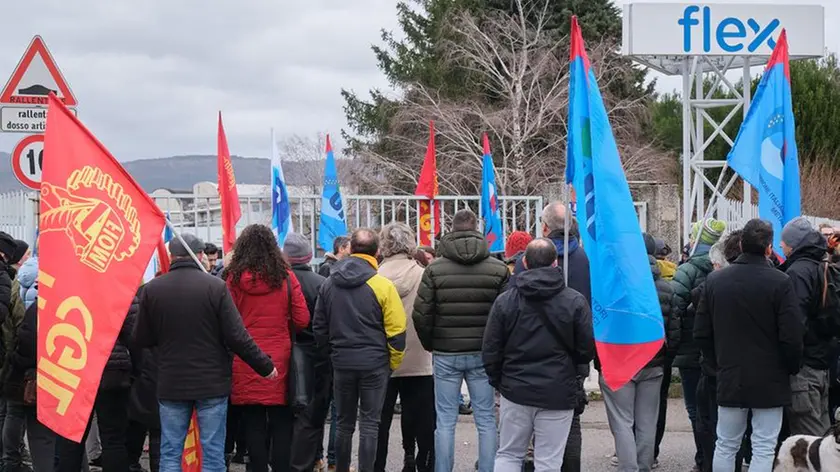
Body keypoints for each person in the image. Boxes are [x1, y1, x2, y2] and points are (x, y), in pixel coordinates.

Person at [133, 233, 278, 472]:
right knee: (212, 453)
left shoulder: (154, 289)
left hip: (171, 382)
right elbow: (237, 336)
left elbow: (142, 338)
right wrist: (265, 366)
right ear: (200, 255)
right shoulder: (215, 287)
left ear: (172, 256)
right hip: (211, 384)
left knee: (170, 452)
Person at [693, 219, 803, 472]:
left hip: (730, 372)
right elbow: (792, 336)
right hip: (770, 377)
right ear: (768, 247)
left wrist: (717, 363)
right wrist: (789, 367)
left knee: (726, 443)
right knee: (764, 445)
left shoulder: (715, 281)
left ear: (741, 244)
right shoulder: (781, 282)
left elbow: (701, 332)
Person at [483, 238, 594, 471]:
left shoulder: (506, 301)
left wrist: (500, 382)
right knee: (549, 460)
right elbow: (586, 350)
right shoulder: (574, 301)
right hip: (558, 390)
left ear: (524, 261)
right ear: (555, 263)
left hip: (515, 389)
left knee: (509, 454)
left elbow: (491, 349)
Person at [413, 209, 509, 472]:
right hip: (483, 353)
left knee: (444, 420)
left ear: (452, 230)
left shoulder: (434, 269)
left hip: (445, 352)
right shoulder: (498, 269)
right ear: (476, 229)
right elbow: (506, 315)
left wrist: (430, 343)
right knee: (486, 419)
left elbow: (421, 314)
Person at [314, 228, 407, 472]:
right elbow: (397, 331)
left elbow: (319, 327)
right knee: (370, 424)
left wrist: (331, 356)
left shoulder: (329, 283)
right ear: (377, 252)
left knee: (344, 423)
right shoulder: (383, 286)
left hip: (342, 362)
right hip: (375, 363)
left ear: (351, 249)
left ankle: (341, 468)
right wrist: (392, 363)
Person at [509, 202, 590, 472]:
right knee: (570, 421)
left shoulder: (526, 261)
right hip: (571, 354)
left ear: (544, 227)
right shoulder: (584, 259)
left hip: (529, 352)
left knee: (525, 433)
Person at [223, 225, 309, 472]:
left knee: (253, 422)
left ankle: (257, 467)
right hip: (280, 358)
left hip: (246, 359)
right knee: (282, 421)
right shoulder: (286, 276)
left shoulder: (234, 279)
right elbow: (302, 319)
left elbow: (227, 322)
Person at [599, 234, 678, 472]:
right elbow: (674, 330)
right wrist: (666, 359)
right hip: (653, 363)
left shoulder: (612, 287)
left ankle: (627, 467)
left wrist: (600, 360)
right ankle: (644, 466)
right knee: (647, 422)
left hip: (619, 361)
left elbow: (601, 326)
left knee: (622, 421)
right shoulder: (666, 287)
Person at [374, 223, 435, 472]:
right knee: (421, 417)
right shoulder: (424, 275)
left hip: (383, 357)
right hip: (420, 355)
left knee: (379, 421)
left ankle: (376, 465)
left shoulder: (374, 277)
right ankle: (419, 461)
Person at [670, 219, 726, 472]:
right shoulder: (726, 268)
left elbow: (675, 309)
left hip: (691, 350)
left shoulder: (686, 270)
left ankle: (703, 456)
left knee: (695, 408)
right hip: (720, 351)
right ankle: (720, 454)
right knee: (719, 409)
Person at [693, 232, 746, 472]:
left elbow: (701, 333)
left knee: (721, 435)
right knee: (757, 438)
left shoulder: (710, 288)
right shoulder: (773, 281)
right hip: (750, 370)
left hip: (718, 371)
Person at [779, 217, 834, 436]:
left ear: (793, 244)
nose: (780, 246)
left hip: (804, 367)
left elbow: (795, 323)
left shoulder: (798, 272)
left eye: (783, 242)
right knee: (822, 431)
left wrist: (790, 363)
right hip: (822, 361)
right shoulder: (822, 265)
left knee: (809, 440)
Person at [284, 233, 332, 472]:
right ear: (309, 256)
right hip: (317, 355)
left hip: (284, 354)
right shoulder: (321, 283)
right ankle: (314, 458)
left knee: (286, 414)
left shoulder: (278, 282)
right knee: (313, 414)